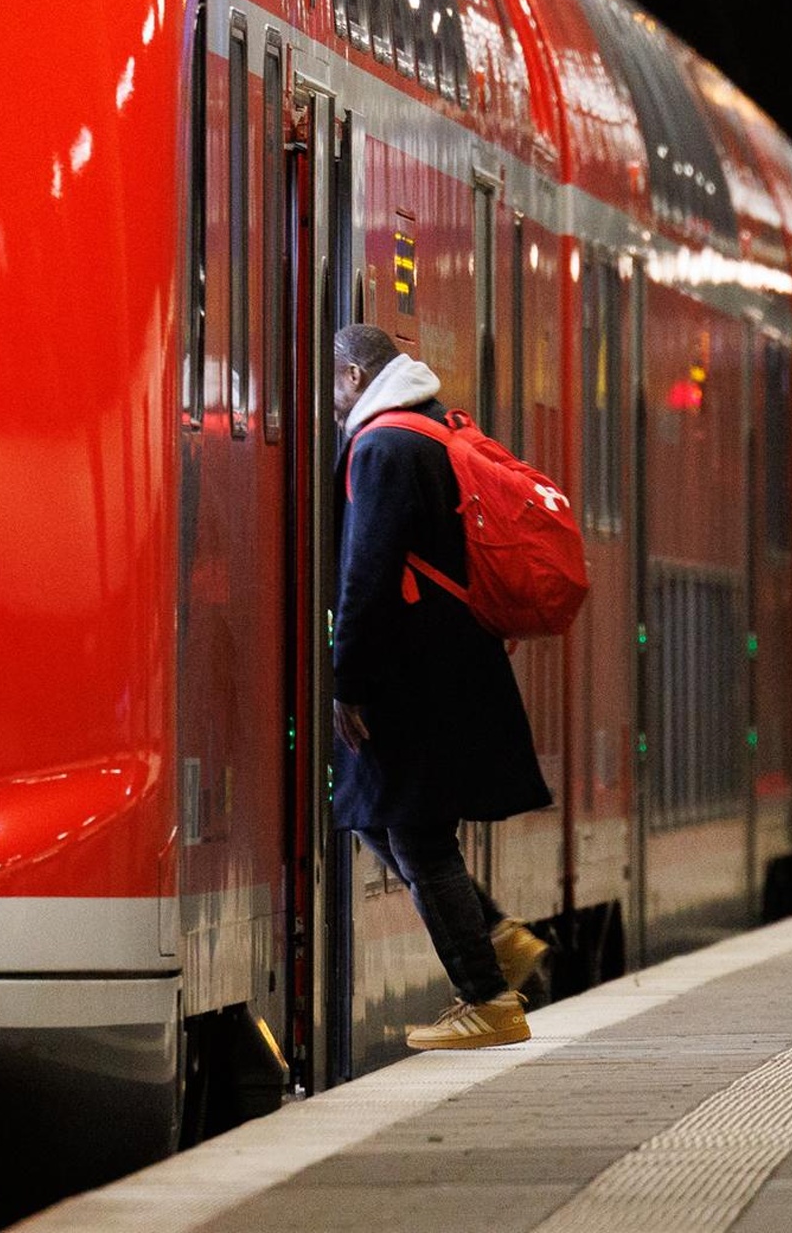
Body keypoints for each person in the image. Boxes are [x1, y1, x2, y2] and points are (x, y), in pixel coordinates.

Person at [332, 323, 552, 1050]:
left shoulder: (383, 446)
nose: (333, 406)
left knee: (416, 833)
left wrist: (348, 682)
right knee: (372, 814)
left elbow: (368, 572)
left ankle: (488, 998)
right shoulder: (428, 430)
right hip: (446, 660)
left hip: (412, 670)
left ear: (356, 377)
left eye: (335, 385)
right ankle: (494, 940)